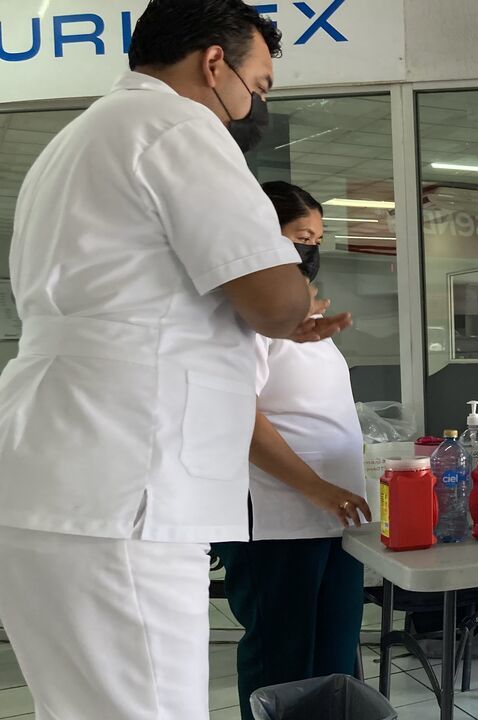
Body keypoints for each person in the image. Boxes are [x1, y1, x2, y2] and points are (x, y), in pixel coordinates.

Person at [0, 2, 351, 718]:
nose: (255, 106)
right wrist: (289, 299)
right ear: (214, 64)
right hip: (127, 484)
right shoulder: (180, 127)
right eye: (258, 86)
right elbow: (274, 299)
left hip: (55, 473)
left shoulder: (79, 139)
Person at [211, 182, 371, 720]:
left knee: (334, 662)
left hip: (335, 520)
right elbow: (239, 418)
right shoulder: (244, 319)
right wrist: (318, 488)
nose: (311, 250)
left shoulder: (303, 326)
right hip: (276, 520)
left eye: (317, 240)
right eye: (302, 237)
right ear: (263, 235)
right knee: (281, 663)